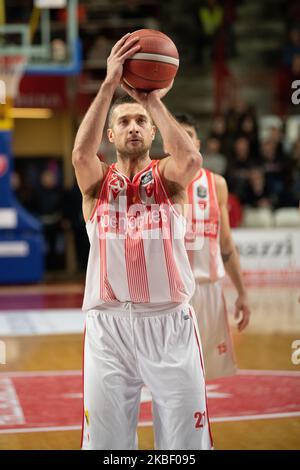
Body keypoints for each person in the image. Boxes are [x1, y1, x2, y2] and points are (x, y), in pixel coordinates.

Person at [72, 33, 212, 450]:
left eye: (141, 122)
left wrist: (150, 100)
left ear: (152, 132)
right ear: (110, 136)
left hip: (169, 322)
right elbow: (81, 155)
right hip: (108, 327)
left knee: (185, 444)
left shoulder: (169, 180)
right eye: (124, 122)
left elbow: (191, 160)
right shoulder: (97, 185)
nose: (133, 126)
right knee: (107, 446)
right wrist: (109, 85)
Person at [175, 113, 251, 380]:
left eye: (189, 135)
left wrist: (241, 292)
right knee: (172, 373)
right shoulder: (157, 182)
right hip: (171, 295)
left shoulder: (216, 183)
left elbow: (226, 242)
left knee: (203, 375)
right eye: (177, 135)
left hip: (208, 289)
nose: (184, 141)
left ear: (198, 143)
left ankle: (196, 422)